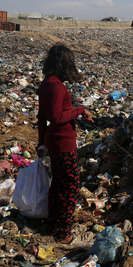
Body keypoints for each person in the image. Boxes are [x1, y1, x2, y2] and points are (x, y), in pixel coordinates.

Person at [37, 44, 93, 244]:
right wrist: (80, 110)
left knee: (59, 185)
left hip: (55, 141)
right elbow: (57, 116)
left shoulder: (47, 83)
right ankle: (62, 231)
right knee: (70, 186)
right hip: (62, 143)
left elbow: (42, 116)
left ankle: (53, 223)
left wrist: (41, 142)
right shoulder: (56, 86)